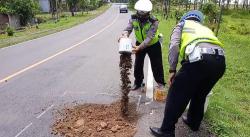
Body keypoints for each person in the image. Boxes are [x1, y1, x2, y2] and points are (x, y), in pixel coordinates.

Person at [149, 10, 226, 137]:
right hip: (220, 62)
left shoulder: (182, 25)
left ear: (185, 18)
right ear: (198, 20)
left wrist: (172, 70)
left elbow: (174, 46)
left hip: (200, 59)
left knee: (176, 95)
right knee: (200, 94)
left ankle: (166, 131)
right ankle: (193, 122)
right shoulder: (205, 28)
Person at [119, 0, 165, 90]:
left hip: (153, 44)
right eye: (139, 11)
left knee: (157, 64)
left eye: (143, 12)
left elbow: (149, 37)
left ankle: (160, 83)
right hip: (139, 43)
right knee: (138, 63)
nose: (140, 14)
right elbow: (128, 29)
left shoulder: (154, 21)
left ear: (148, 12)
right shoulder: (133, 18)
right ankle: (138, 82)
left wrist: (140, 47)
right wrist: (124, 35)